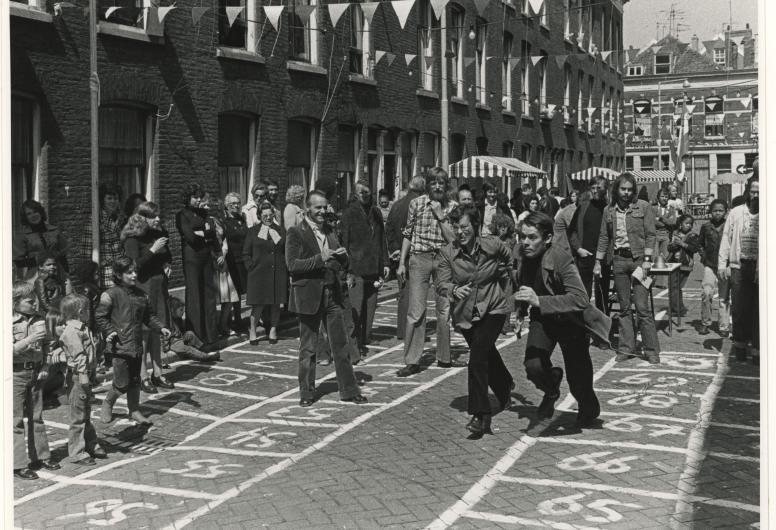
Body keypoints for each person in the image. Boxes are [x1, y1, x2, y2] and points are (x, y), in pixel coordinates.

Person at [515, 212, 604, 427]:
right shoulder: (522, 254)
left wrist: (539, 301)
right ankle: (551, 388)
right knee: (533, 366)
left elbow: (580, 299)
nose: (525, 242)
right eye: (522, 236)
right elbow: (524, 283)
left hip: (570, 321)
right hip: (543, 318)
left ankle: (589, 408)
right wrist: (521, 311)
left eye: (532, 237)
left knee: (578, 379)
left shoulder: (560, 257)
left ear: (547, 239)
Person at [437, 206, 514, 437]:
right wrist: (454, 289)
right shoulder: (447, 253)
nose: (460, 232)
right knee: (486, 352)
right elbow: (440, 283)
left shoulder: (492, 244)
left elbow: (510, 259)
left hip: (494, 307)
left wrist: (507, 276)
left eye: (464, 227)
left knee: (478, 357)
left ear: (476, 226)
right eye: (456, 228)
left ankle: (481, 415)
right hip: (466, 312)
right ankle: (505, 386)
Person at [285, 190, 367, 406]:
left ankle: (349, 390)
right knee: (308, 348)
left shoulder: (330, 231)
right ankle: (306, 393)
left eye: (324, 207)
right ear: (307, 208)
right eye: (317, 207)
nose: (322, 211)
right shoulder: (296, 232)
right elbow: (292, 265)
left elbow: (340, 262)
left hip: (332, 294)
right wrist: (320, 258)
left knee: (341, 345)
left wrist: (344, 259)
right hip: (308, 295)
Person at [396, 168, 459, 376]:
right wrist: (402, 262)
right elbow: (408, 233)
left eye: (441, 183)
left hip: (442, 259)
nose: (438, 186)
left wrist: (441, 215)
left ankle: (444, 357)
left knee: (444, 310)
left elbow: (453, 239)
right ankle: (412, 360)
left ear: (446, 185)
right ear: (428, 185)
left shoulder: (452, 207)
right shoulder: (416, 203)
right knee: (416, 310)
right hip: (419, 257)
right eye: (434, 183)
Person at [96, 256, 171, 426]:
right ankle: (108, 403)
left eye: (135, 271)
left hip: (136, 345)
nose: (134, 275)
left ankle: (134, 410)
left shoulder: (141, 295)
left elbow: (149, 317)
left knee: (135, 380)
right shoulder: (110, 295)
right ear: (118, 274)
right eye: (129, 272)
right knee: (121, 383)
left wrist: (161, 327)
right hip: (120, 346)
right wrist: (110, 331)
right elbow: (100, 317)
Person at [594, 174, 660, 364]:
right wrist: (598, 262)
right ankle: (626, 348)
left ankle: (651, 350)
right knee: (624, 308)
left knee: (642, 307)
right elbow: (604, 237)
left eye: (630, 189)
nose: (626, 193)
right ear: (617, 189)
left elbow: (651, 235)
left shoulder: (643, 207)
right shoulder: (609, 210)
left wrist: (647, 259)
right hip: (619, 260)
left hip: (639, 260)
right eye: (623, 189)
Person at [122, 201, 175, 393]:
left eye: (158, 215)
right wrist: (153, 250)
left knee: (157, 330)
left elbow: (167, 255)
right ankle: (142, 375)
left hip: (159, 286)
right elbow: (134, 266)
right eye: (153, 216)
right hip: (143, 287)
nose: (158, 219)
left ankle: (158, 373)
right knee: (144, 332)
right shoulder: (132, 239)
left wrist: (167, 263)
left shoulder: (156, 235)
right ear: (141, 217)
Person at [12, 281, 60, 480]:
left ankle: (41, 456)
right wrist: (31, 339)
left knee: (37, 416)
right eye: (29, 301)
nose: (35, 304)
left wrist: (46, 366)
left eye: (35, 300)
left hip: (36, 372)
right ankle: (18, 464)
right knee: (15, 420)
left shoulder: (39, 319)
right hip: (15, 373)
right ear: (15, 302)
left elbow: (48, 344)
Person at [340, 180, 389, 357]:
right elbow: (344, 241)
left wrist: (385, 263)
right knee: (356, 309)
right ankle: (353, 347)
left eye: (368, 192)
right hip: (356, 267)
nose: (366, 195)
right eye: (362, 192)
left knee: (370, 308)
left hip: (374, 266)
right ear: (355, 194)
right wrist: (346, 269)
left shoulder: (376, 212)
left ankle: (364, 338)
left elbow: (382, 238)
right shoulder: (348, 213)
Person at [58, 293, 107, 465]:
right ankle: (77, 452)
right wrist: (84, 375)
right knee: (78, 416)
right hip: (79, 376)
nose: (89, 313)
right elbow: (78, 354)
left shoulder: (82, 328)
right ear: (80, 312)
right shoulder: (72, 331)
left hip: (86, 373)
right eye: (87, 310)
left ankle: (91, 443)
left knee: (86, 413)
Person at [718, 176, 759, 363]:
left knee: (760, 309)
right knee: (739, 308)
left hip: (760, 267)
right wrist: (722, 263)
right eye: (753, 192)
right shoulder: (736, 212)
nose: (756, 195)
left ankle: (758, 348)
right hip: (739, 266)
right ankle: (740, 345)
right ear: (747, 192)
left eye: (759, 192)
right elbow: (726, 238)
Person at [176, 183, 219, 345]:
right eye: (195, 197)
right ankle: (197, 335)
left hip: (206, 256)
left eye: (200, 197)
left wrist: (204, 233)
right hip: (192, 258)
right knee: (194, 294)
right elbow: (191, 237)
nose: (198, 200)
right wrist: (205, 234)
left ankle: (211, 335)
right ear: (187, 198)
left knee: (208, 294)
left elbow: (212, 233)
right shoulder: (182, 215)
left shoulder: (203, 213)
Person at [385, 176, 425, 340]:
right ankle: (412, 330)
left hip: (399, 255)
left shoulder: (396, 205)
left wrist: (395, 249)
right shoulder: (420, 204)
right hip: (417, 253)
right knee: (417, 294)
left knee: (404, 293)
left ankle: (402, 330)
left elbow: (388, 229)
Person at [243, 202, 288, 345]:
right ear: (259, 216)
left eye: (270, 215)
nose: (268, 218)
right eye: (265, 215)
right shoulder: (252, 231)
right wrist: (251, 267)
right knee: (258, 305)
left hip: (277, 272)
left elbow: (285, 250)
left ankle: (273, 330)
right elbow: (245, 253)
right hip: (258, 274)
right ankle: (253, 331)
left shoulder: (280, 231)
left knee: (276, 304)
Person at [568, 177, 610, 317]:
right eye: (593, 188)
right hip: (585, 256)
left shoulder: (610, 208)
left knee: (602, 294)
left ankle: (602, 324)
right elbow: (572, 231)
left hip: (603, 257)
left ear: (606, 189)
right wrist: (578, 249)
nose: (595, 191)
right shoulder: (583, 207)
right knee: (583, 293)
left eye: (599, 187)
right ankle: (583, 324)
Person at [78, 184, 127, 289]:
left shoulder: (121, 219)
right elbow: (86, 251)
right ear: (102, 200)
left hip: (120, 271)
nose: (113, 201)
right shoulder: (95, 220)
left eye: (115, 198)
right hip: (104, 273)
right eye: (109, 198)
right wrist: (90, 275)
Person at [13, 199, 70, 283]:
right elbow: (18, 262)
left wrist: (67, 274)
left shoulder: (54, 230)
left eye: (35, 212)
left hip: (57, 273)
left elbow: (63, 257)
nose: (33, 215)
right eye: (29, 214)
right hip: (35, 276)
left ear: (40, 212)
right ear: (25, 217)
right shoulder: (22, 235)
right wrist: (36, 260)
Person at [697, 199, 730, 337]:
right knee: (706, 292)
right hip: (709, 264)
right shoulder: (705, 227)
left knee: (724, 297)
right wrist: (704, 256)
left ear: (726, 212)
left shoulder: (729, 225)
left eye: (721, 210)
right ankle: (705, 322)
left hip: (725, 265)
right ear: (710, 211)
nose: (718, 213)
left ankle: (724, 326)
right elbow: (700, 244)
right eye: (715, 210)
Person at [221, 192, 249, 333]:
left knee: (244, 290)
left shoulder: (242, 219)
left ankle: (241, 319)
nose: (236, 206)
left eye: (238, 203)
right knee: (235, 292)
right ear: (227, 206)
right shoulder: (224, 222)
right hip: (233, 260)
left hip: (244, 259)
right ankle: (236, 319)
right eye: (232, 203)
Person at [167, 297, 221, 362]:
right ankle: (206, 357)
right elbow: (165, 337)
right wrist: (166, 348)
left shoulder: (178, 318)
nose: (183, 312)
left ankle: (203, 349)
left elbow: (181, 332)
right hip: (174, 343)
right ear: (173, 310)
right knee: (188, 349)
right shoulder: (169, 321)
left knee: (190, 333)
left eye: (183, 310)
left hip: (179, 339)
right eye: (181, 310)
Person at [667, 214, 699, 319]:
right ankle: (678, 308)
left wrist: (682, 244)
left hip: (685, 264)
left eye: (690, 224)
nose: (689, 225)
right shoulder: (675, 233)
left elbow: (694, 248)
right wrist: (673, 245)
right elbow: (669, 248)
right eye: (686, 223)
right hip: (673, 263)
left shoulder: (692, 235)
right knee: (673, 286)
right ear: (680, 224)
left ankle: (677, 309)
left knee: (676, 286)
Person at [654, 187, 677, 262]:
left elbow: (673, 222)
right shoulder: (653, 208)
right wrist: (666, 221)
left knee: (665, 257)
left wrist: (660, 218)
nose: (664, 198)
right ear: (658, 197)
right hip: (655, 234)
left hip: (666, 235)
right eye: (662, 196)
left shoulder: (671, 209)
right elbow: (652, 222)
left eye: (666, 197)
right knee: (654, 258)